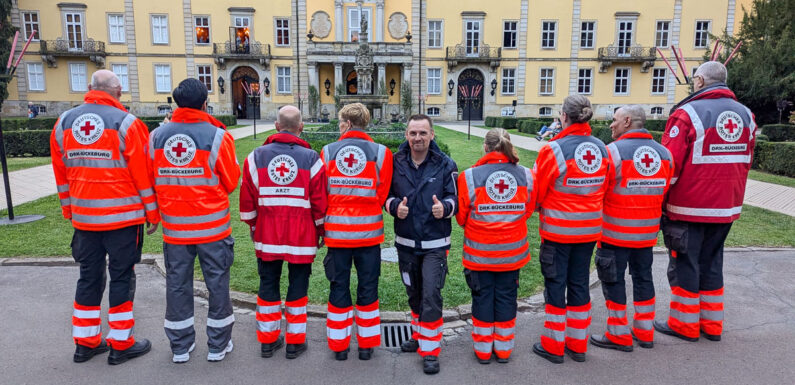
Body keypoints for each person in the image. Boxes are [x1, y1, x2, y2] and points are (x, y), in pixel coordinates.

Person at [49, 69, 160, 365]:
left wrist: (68, 208)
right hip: (123, 219)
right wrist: (152, 212)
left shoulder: (63, 123)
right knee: (122, 276)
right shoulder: (127, 123)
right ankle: (121, 344)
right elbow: (142, 174)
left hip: (85, 218)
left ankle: (85, 343)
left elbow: (61, 173)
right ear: (119, 92)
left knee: (88, 276)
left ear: (89, 89)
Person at [655, 61, 757, 343]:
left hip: (688, 207)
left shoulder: (687, 114)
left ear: (700, 81)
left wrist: (660, 201)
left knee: (685, 263)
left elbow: (670, 166)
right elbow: (748, 159)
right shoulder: (746, 115)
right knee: (712, 262)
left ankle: (684, 326)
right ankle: (711, 326)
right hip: (726, 208)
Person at [149, 78, 240, 363]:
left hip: (175, 228)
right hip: (213, 228)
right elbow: (231, 181)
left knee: (177, 285)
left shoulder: (156, 136)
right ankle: (217, 346)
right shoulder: (217, 136)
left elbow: (149, 180)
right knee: (218, 284)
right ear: (204, 103)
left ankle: (180, 347)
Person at [240, 105, 328, 360]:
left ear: (277, 127)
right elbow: (320, 202)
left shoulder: (254, 157)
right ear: (301, 128)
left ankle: (267, 341)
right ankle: (294, 342)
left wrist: (254, 227)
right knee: (298, 285)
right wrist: (321, 230)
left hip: (267, 235)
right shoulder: (312, 158)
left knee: (268, 284)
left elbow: (247, 203)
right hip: (301, 236)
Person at [589, 105, 674, 353]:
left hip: (614, 232)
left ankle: (618, 334)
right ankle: (645, 330)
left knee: (613, 281)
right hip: (647, 234)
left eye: (614, 120)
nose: (611, 125)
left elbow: (599, 190)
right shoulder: (665, 154)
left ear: (627, 121)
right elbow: (665, 189)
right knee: (644, 279)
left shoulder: (612, 152)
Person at [531, 95, 609, 364]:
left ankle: (554, 345)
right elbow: (606, 187)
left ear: (564, 116)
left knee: (555, 284)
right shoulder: (602, 148)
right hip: (588, 232)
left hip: (558, 232)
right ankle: (578, 344)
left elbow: (537, 193)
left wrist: (540, 206)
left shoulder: (553, 150)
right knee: (579, 284)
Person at [384, 114, 458, 374]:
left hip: (435, 243)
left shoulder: (446, 164)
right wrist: (394, 207)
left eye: (423, 133)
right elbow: (384, 195)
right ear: (406, 135)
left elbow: (455, 198)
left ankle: (430, 350)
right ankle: (419, 336)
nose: (418, 138)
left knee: (430, 295)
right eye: (413, 133)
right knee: (413, 294)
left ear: (432, 135)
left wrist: (445, 208)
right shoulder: (394, 163)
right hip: (405, 242)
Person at [320, 103, 393, 361]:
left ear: (347, 123)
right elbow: (383, 192)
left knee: (339, 286)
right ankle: (366, 345)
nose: (340, 127)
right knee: (368, 287)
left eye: (341, 123)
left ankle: (340, 347)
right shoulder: (382, 153)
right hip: (369, 234)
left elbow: (322, 192)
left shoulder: (328, 151)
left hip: (338, 234)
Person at [456, 128, 535, 365]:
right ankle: (503, 349)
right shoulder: (527, 175)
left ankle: (482, 351)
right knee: (507, 299)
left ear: (486, 147)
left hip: (479, 254)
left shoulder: (469, 176)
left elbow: (461, 218)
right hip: (511, 254)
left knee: (481, 299)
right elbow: (528, 210)